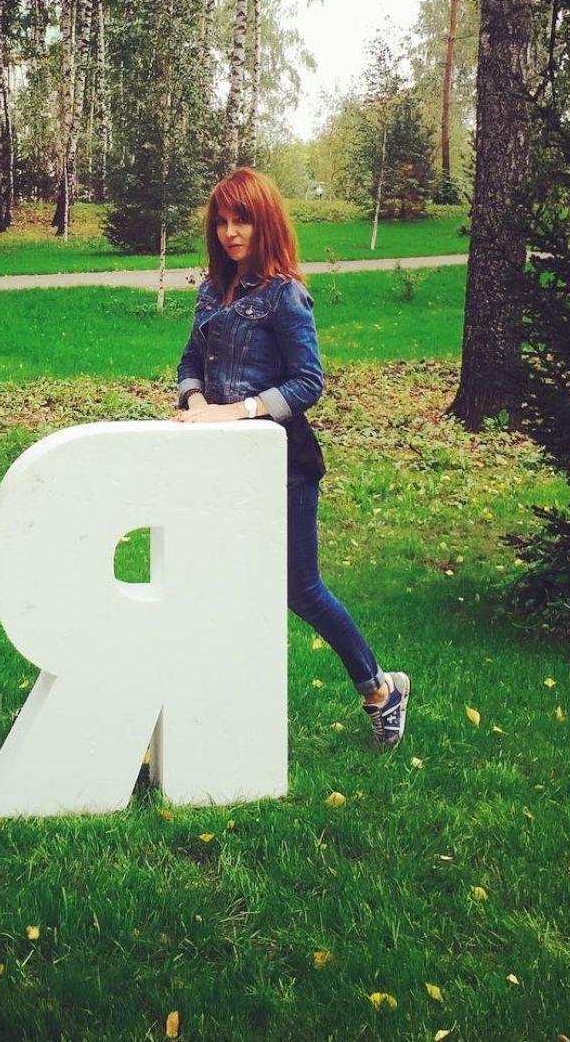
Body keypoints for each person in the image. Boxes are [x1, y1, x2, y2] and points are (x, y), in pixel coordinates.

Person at [173, 167, 410, 747]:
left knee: (300, 589)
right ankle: (208, 707)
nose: (231, 233)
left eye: (243, 220)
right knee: (214, 579)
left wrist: (238, 411)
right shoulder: (211, 291)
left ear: (266, 223)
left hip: (284, 466)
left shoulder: (285, 295)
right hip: (220, 463)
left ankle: (381, 690)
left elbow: (309, 382)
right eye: (222, 222)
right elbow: (189, 363)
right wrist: (199, 404)